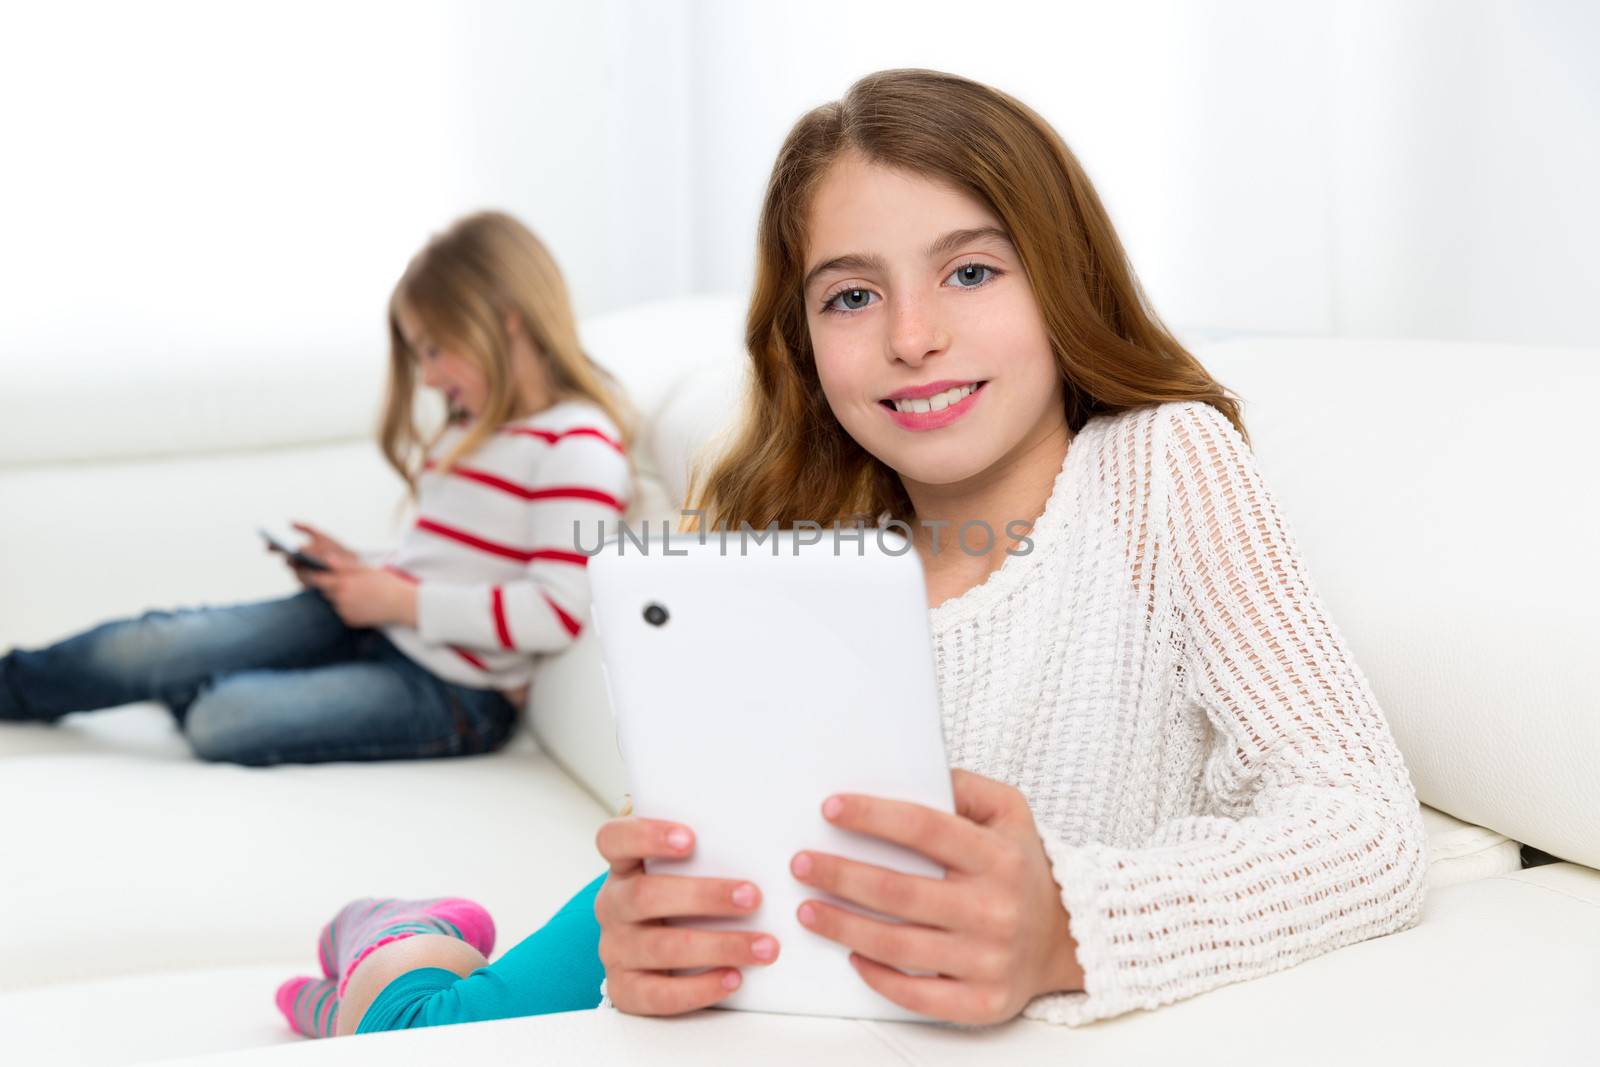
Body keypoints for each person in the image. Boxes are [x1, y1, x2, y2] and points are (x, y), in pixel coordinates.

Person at [276, 69, 1427, 1038]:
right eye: (851, 294)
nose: (912, 336)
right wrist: (646, 916)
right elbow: (702, 818)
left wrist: (1069, 926)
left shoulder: (1161, 464)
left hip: (937, 986)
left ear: (1061, 276)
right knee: (422, 1030)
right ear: (804, 336)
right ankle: (394, 938)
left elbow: (1367, 827)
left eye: (970, 271)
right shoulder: (795, 535)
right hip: (751, 949)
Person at [0, 210, 633, 768]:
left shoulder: (576, 445)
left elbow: (556, 609)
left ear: (509, 322)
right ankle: (16, 684)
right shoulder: (472, 430)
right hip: (378, 622)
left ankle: (200, 684)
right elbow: (453, 563)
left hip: (453, 689)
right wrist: (366, 571)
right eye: (422, 357)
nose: (432, 377)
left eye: (438, 351)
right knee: (162, 642)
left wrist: (400, 601)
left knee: (224, 721)